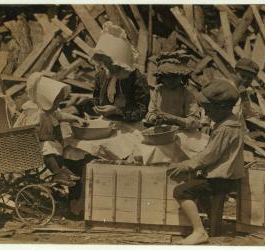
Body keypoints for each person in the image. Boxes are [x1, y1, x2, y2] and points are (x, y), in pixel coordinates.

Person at [168, 78, 244, 245]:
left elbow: (210, 155)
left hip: (222, 179)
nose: (206, 114)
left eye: (209, 110)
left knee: (181, 191)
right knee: (197, 184)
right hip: (224, 177)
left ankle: (199, 231)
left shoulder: (226, 128)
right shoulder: (229, 122)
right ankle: (215, 225)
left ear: (222, 108)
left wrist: (186, 165)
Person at [14, 72, 88, 186]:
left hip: (42, 142)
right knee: (49, 147)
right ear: (44, 102)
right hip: (29, 144)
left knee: (58, 145)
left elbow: (61, 115)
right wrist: (46, 137)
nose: (56, 107)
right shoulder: (35, 113)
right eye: (54, 104)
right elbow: (30, 132)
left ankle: (62, 170)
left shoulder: (50, 111)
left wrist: (76, 119)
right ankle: (57, 173)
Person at [90, 21, 150, 122]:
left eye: (110, 61)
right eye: (104, 60)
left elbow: (141, 110)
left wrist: (117, 111)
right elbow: (96, 98)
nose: (107, 65)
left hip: (129, 125)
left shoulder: (136, 78)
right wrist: (91, 104)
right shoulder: (102, 75)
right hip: (107, 123)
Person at [145, 50, 201, 130]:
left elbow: (195, 122)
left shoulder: (186, 93)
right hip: (162, 130)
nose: (170, 80)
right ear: (161, 77)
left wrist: (174, 119)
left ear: (182, 76)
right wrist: (153, 118)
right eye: (166, 77)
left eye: (174, 76)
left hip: (181, 131)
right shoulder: (158, 90)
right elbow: (150, 112)